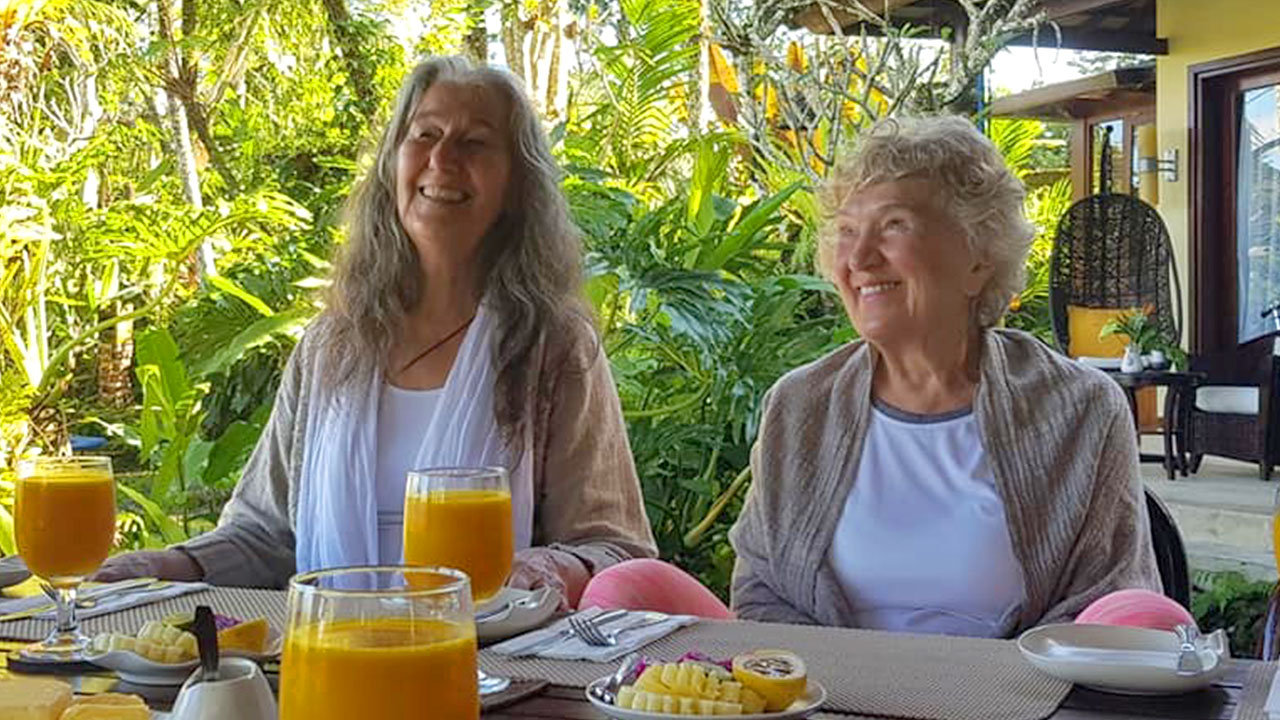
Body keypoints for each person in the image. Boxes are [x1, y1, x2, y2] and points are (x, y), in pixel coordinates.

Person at [96, 56, 657, 606]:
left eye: (474, 142)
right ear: (393, 163)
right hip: (332, 665)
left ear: (517, 185)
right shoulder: (331, 347)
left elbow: (617, 549)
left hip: (495, 679)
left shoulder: (552, 348)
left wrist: (546, 565)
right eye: (425, 134)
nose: (442, 158)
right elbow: (263, 537)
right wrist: (161, 564)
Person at [728, 116, 1161, 637]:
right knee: (637, 586)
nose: (860, 259)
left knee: (1156, 620)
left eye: (893, 225)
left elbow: (1112, 597)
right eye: (846, 231)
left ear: (979, 257)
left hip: (1016, 701)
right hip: (831, 694)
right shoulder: (799, 405)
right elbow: (760, 590)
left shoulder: (1080, 408)